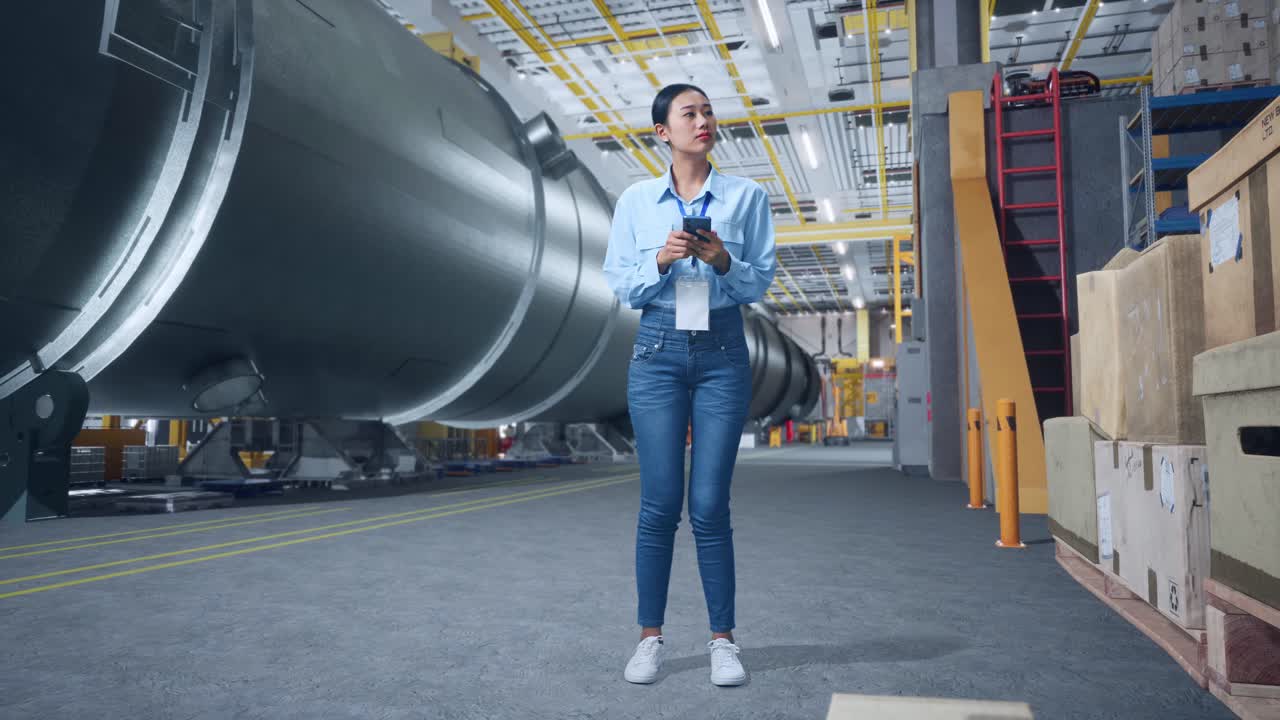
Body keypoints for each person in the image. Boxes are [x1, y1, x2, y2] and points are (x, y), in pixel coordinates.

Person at [602, 83, 777, 687]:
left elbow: (759, 283)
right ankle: (649, 638)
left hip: (723, 353)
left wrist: (723, 260)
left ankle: (723, 641)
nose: (703, 121)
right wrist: (662, 259)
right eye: (689, 113)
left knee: (708, 506)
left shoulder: (747, 197)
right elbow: (621, 284)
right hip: (657, 352)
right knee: (658, 506)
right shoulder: (635, 202)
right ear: (663, 133)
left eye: (707, 112)